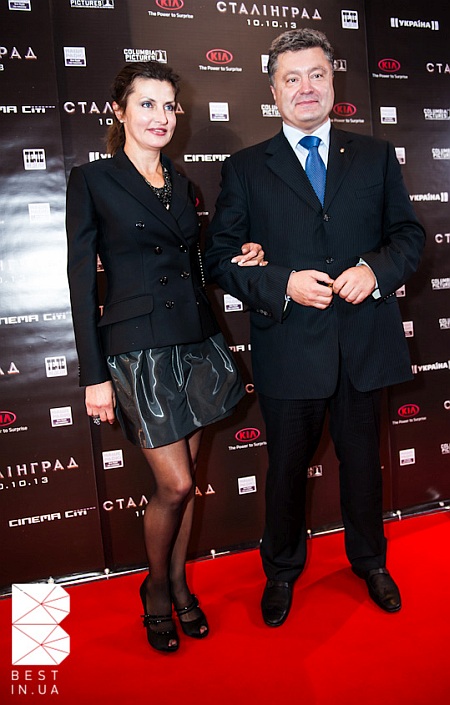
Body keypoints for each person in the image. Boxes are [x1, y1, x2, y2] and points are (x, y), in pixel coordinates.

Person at [205, 29, 425, 627]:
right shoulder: (245, 168)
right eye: (292, 78)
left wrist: (374, 272)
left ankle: (370, 562)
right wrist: (282, 282)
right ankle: (280, 570)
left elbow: (409, 237)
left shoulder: (375, 156)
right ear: (273, 91)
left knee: (363, 466)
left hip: (363, 343)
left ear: (332, 81)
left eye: (317, 75)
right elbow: (219, 258)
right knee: (284, 472)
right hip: (290, 348)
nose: (306, 87)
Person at [66, 61, 266, 652]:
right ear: (120, 111)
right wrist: (94, 375)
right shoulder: (93, 180)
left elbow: (194, 267)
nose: (160, 116)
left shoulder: (182, 183)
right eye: (146, 104)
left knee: (190, 483)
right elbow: (81, 283)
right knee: (175, 486)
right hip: (137, 350)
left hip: (196, 342)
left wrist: (241, 258)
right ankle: (155, 589)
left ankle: (179, 586)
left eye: (168, 105)